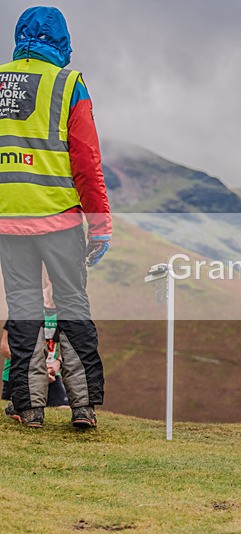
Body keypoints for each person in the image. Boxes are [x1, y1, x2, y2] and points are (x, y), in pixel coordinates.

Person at [0, 7, 112, 429]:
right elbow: (87, 161)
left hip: (8, 219)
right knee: (72, 305)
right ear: (62, 40)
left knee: (24, 306)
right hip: (61, 218)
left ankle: (29, 409)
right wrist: (100, 224)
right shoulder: (69, 84)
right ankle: (82, 408)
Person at [3, 268, 69, 420]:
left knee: (64, 411)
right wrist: (37, 368)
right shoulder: (26, 307)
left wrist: (58, 363)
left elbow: (69, 347)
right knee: (17, 414)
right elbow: (4, 346)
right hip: (20, 374)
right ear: (47, 280)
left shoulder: (65, 311)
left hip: (52, 376)